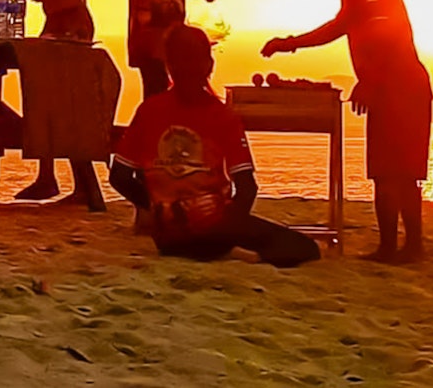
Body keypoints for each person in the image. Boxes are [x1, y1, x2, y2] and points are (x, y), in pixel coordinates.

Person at [261, 0, 433, 264]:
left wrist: (371, 80)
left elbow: (392, 29)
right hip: (396, 85)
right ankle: (402, 246)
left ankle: (402, 247)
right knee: (391, 172)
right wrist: (290, 43)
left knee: (394, 173)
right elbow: (343, 24)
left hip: (402, 85)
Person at [109, 24, 321, 267]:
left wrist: (160, 209)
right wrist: (230, 224)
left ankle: (234, 250)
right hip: (215, 231)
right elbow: (247, 187)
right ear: (209, 66)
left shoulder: (148, 110)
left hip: (168, 239)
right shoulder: (222, 116)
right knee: (305, 249)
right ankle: (243, 255)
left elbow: (120, 177)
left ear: (169, 66)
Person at [0, 0, 106, 205]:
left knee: (47, 96)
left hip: (66, 21)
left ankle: (55, 180)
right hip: (74, 14)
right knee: (67, 103)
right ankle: (68, 182)